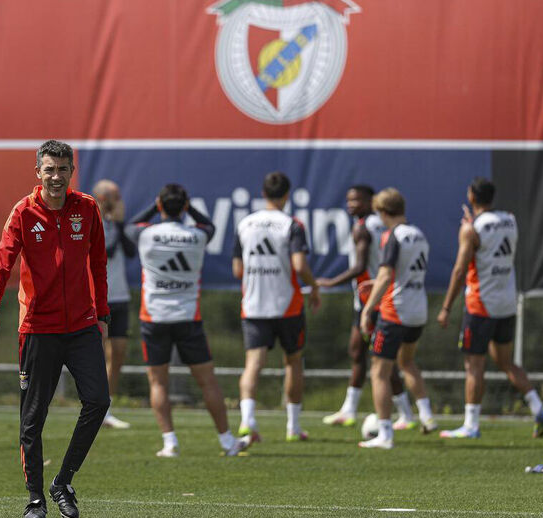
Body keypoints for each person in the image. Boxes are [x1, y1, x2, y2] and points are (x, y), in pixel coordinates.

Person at [0, 140, 110, 518]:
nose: (56, 177)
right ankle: (35, 501)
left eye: (62, 169)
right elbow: (1, 267)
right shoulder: (23, 212)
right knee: (33, 419)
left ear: (72, 172)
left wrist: (101, 314)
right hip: (37, 329)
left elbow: (99, 263)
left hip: (83, 326)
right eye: (49, 170)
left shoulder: (87, 208)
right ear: (38, 172)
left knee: (99, 401)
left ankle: (62, 481)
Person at [126, 184, 251, 458]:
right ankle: (227, 441)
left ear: (160, 206)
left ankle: (170, 443)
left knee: (158, 383)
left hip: (154, 317)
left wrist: (156, 204)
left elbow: (132, 225)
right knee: (208, 382)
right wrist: (188, 206)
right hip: (187, 318)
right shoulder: (197, 235)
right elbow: (210, 226)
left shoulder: (146, 234)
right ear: (185, 208)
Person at [437, 178, 543, 439]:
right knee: (505, 361)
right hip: (506, 302)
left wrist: (446, 307)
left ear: (471, 196)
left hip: (481, 303)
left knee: (474, 365)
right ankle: (538, 407)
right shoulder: (510, 219)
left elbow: (459, 269)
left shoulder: (471, 230)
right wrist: (472, 226)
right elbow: (490, 238)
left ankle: (471, 425)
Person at [317, 186, 417, 429]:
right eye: (348, 199)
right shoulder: (382, 225)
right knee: (359, 351)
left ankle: (406, 413)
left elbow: (361, 266)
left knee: (380, 358)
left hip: (370, 297)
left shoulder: (363, 227)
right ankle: (350, 409)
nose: (351, 204)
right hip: (376, 296)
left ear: (371, 202)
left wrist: (330, 281)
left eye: (356, 200)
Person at [233, 172, 320, 442]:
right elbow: (299, 266)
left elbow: (238, 270)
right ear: (286, 195)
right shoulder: (292, 224)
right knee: (293, 361)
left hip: (254, 304)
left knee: (253, 365)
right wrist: (313, 286)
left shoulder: (245, 223)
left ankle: (248, 422)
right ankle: (293, 427)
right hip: (287, 305)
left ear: (263, 194)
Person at [358, 188, 437, 449]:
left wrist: (369, 308)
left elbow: (385, 275)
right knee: (407, 362)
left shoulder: (392, 236)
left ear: (382, 211)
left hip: (395, 311)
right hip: (418, 309)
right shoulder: (419, 234)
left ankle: (385, 434)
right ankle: (426, 416)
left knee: (379, 372)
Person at [92, 179, 136, 430]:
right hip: (100, 298)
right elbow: (104, 251)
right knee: (98, 354)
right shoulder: (91, 223)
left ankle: (106, 408)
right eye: (114, 197)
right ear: (102, 198)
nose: (118, 202)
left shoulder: (117, 224)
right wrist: (114, 223)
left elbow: (130, 251)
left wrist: (118, 223)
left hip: (121, 297)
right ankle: (94, 405)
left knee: (117, 354)